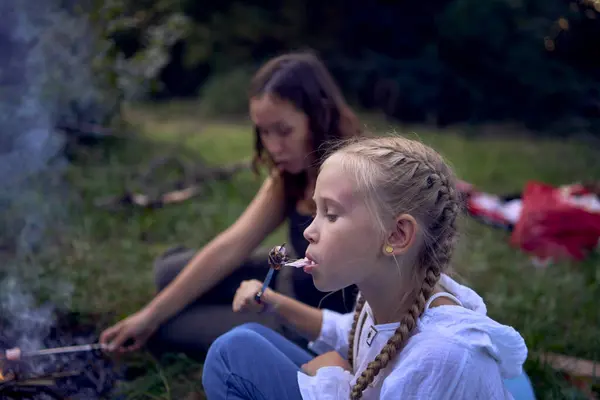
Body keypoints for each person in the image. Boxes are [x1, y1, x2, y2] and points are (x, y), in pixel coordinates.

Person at [201, 136, 537, 399]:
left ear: (396, 235)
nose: (308, 231)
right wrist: (277, 303)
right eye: (316, 211)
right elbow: (351, 333)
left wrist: (334, 377)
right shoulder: (392, 292)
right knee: (251, 337)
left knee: (232, 355)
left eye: (330, 214)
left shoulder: (443, 355)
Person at [99, 50, 363, 358]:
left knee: (169, 328)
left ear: (319, 117)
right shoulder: (291, 175)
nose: (273, 146)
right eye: (264, 131)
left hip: (306, 319)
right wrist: (150, 312)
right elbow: (234, 244)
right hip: (284, 275)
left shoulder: (353, 177)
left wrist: (152, 320)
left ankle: (202, 307)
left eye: (284, 131)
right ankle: (190, 293)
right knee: (166, 274)